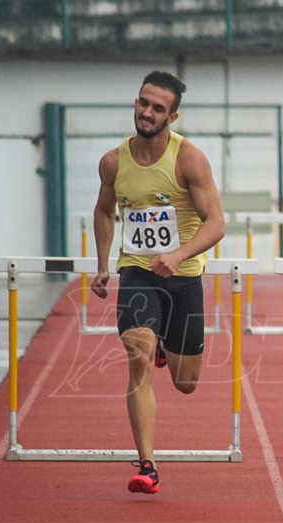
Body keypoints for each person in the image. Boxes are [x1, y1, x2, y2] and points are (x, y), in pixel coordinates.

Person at [90, 71, 225, 494]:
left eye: (158, 108)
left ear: (173, 115)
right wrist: (102, 264)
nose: (148, 113)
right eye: (143, 103)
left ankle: (168, 344)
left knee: (185, 383)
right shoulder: (114, 162)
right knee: (138, 356)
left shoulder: (189, 159)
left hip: (183, 277)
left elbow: (216, 223)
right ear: (136, 102)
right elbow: (104, 211)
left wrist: (179, 255)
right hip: (137, 272)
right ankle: (147, 464)